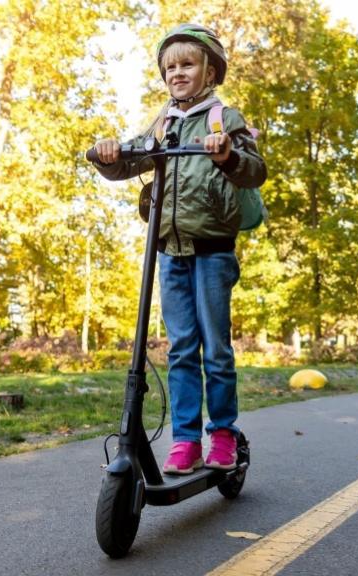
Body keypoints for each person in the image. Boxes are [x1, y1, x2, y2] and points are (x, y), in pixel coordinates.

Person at [89, 24, 267, 474]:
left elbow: (254, 170)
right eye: (170, 67)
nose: (177, 73)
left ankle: (222, 432)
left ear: (211, 72)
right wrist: (110, 156)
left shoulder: (224, 118)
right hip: (168, 252)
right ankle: (186, 439)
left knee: (216, 348)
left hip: (213, 250)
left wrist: (226, 153)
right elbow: (135, 160)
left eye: (187, 64)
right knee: (182, 348)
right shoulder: (163, 122)